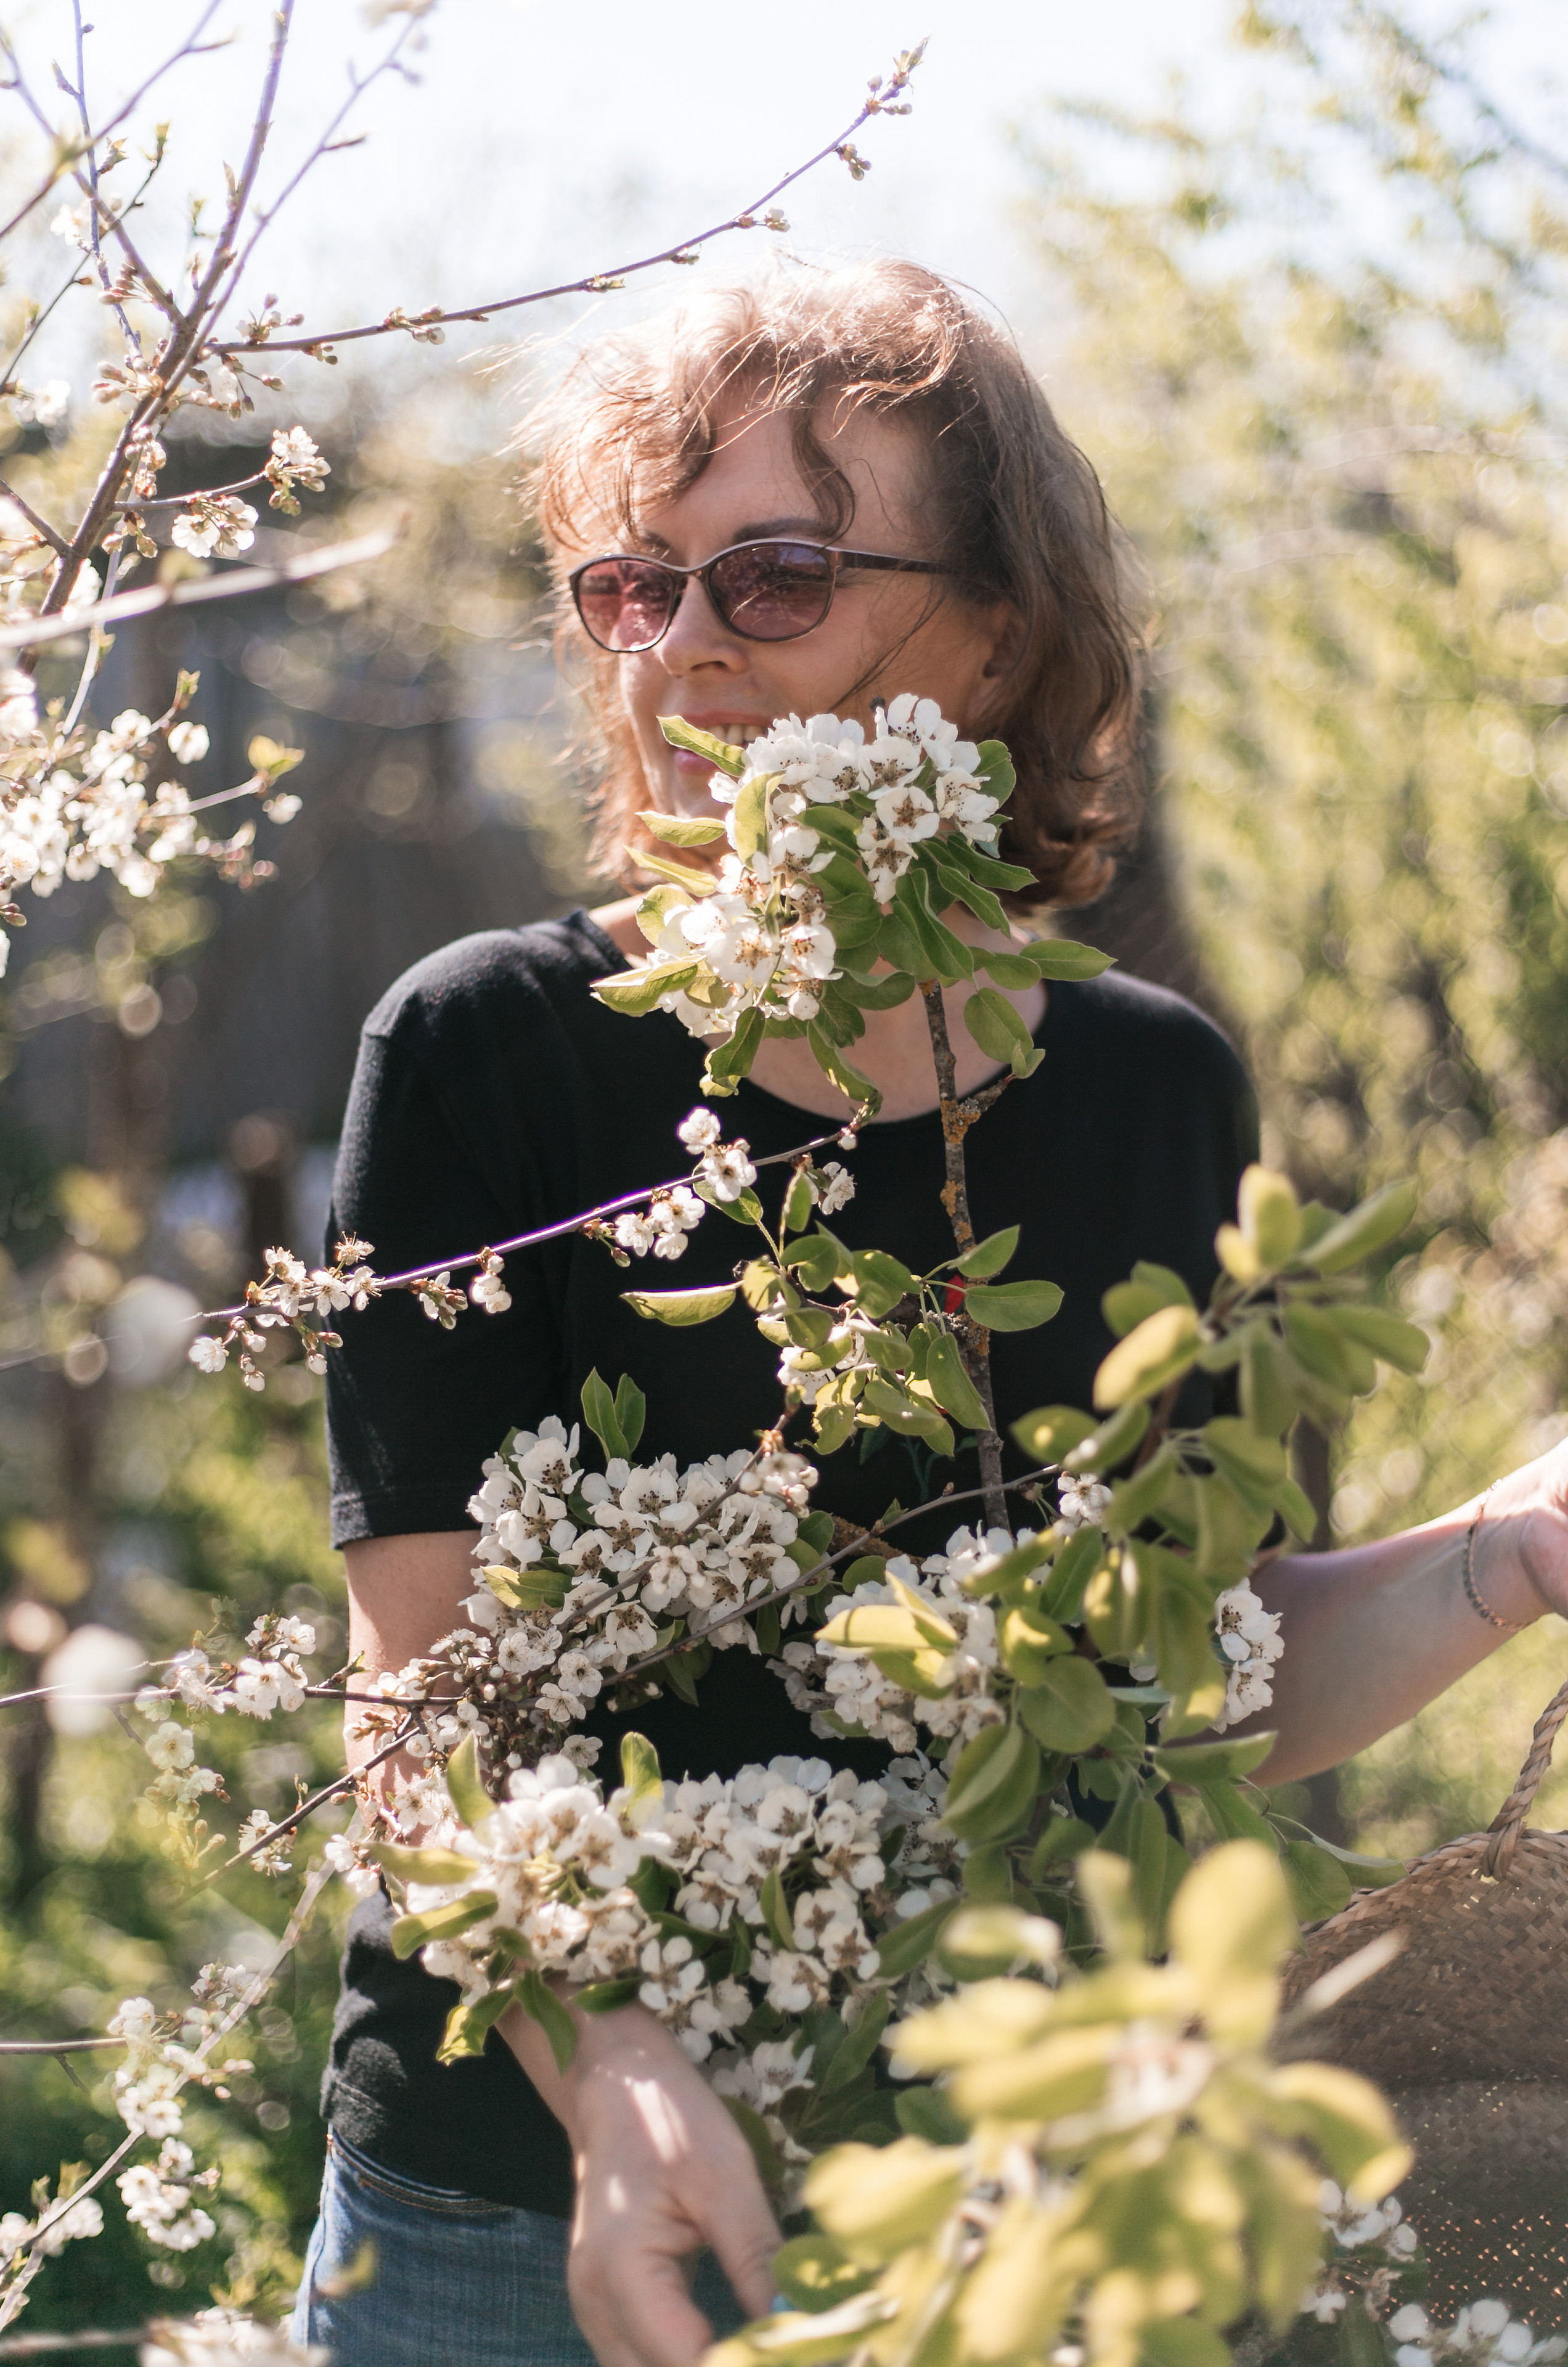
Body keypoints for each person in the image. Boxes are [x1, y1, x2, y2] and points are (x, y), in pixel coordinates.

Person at [289, 260, 1568, 2367]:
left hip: (989, 2204)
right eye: (631, 588)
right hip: (512, 2215)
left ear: (995, 635)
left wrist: (1506, 1557)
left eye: (774, 576)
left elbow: (1190, 1695)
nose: (680, 648)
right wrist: (610, 2068)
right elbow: (421, 1713)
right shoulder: (488, 1056)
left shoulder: (1154, 1090)